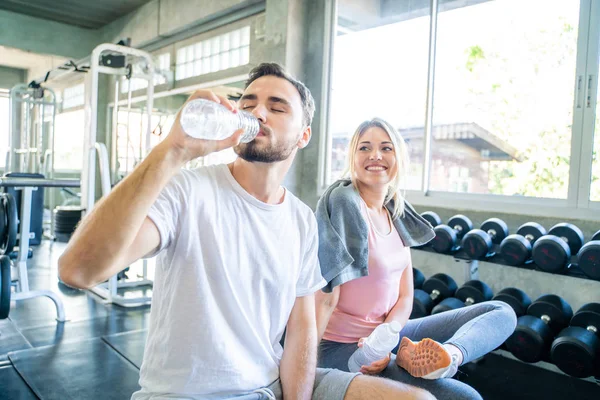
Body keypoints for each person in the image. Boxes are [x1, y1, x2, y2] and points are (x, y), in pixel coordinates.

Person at [58, 64, 435, 400]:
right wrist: (172, 149)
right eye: (249, 102)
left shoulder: (302, 219)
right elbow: (78, 270)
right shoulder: (187, 190)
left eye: (276, 106)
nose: (256, 112)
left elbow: (302, 332)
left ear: (303, 136)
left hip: (269, 384)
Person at [315, 118, 518, 400]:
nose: (375, 155)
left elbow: (405, 297)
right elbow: (322, 293)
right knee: (466, 398)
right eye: (364, 148)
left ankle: (450, 358)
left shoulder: (395, 212)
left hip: (385, 335)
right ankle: (387, 361)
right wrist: (303, 366)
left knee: (500, 311)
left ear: (398, 156)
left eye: (386, 148)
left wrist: (385, 339)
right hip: (338, 347)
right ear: (352, 157)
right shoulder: (343, 204)